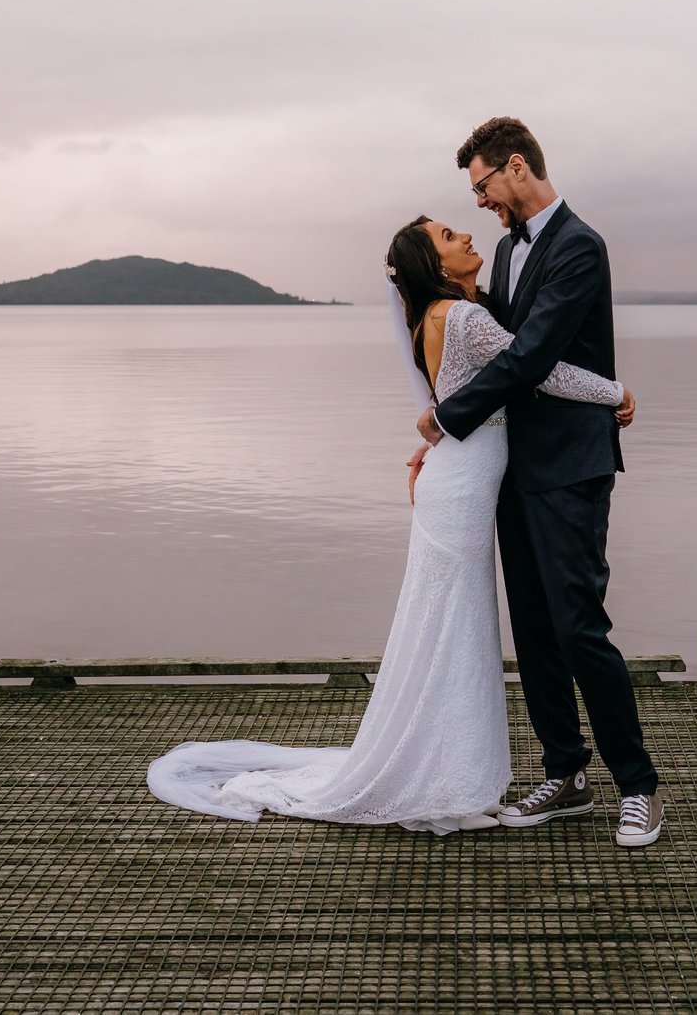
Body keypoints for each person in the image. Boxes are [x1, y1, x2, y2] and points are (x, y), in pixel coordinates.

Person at [145, 211, 635, 834]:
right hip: (462, 491)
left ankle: (452, 761)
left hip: (458, 479)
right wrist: (614, 391)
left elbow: (448, 401)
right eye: (449, 237)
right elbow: (539, 369)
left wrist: (431, 439)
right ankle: (443, 769)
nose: (465, 237)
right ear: (435, 265)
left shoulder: (435, 317)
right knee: (453, 626)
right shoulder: (461, 317)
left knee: (445, 626)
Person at [416, 116, 664, 848]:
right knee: (533, 626)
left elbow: (528, 358)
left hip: (571, 467)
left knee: (580, 625)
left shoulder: (581, 246)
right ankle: (565, 773)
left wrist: (444, 421)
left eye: (484, 185)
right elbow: (495, 341)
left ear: (516, 166)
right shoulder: (503, 248)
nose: (482, 203)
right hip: (514, 464)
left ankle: (640, 786)